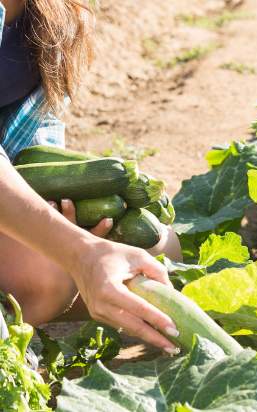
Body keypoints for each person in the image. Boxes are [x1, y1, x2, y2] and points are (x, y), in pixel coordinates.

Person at [0, 0, 181, 355]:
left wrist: (64, 214)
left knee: (160, 251)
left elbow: (36, 140)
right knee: (47, 276)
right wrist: (80, 251)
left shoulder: (60, 11)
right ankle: (10, 348)